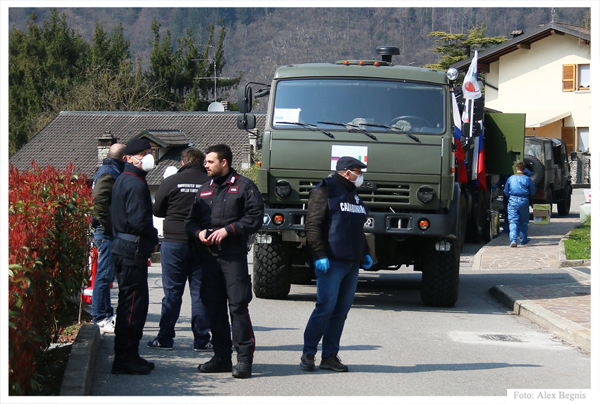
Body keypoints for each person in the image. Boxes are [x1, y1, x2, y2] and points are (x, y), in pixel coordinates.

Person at [185, 144, 264, 379]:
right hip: (208, 258)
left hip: (232, 257)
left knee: (238, 306)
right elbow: (190, 222)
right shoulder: (205, 188)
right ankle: (221, 357)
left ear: (224, 163)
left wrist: (229, 230)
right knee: (213, 306)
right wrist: (198, 233)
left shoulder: (244, 186)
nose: (205, 165)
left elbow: (255, 218)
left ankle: (243, 360)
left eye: (209, 162)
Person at [300, 156, 373, 372]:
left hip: (352, 262)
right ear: (346, 171)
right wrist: (319, 254)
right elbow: (312, 225)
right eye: (358, 171)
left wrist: (366, 253)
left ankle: (330, 356)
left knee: (341, 311)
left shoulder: (353, 194)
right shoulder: (324, 190)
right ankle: (308, 353)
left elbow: (356, 229)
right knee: (325, 308)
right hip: (331, 261)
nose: (360, 175)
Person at [147, 148, 212, 351]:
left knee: (172, 293)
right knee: (200, 294)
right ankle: (202, 340)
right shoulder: (210, 183)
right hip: (202, 242)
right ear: (202, 163)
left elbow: (157, 209)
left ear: (182, 163)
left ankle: (165, 338)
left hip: (174, 242)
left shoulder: (172, 181)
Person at [110, 138, 159, 375]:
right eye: (141, 153)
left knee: (134, 304)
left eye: (148, 152)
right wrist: (154, 235)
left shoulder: (125, 179)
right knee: (132, 306)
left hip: (124, 247)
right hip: (131, 250)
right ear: (127, 158)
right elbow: (140, 222)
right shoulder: (135, 184)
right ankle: (124, 358)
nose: (147, 157)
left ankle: (131, 354)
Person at [91, 143, 126, 333]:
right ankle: (99, 317)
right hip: (105, 231)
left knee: (106, 274)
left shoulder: (107, 170)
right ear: (122, 158)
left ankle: (105, 312)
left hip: (105, 229)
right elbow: (99, 200)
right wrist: (107, 224)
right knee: (103, 275)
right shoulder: (109, 173)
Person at [504, 161, 536, 248]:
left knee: (513, 220)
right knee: (523, 221)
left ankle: (513, 240)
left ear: (516, 168)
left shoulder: (510, 178)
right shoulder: (527, 179)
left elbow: (506, 192)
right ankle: (523, 239)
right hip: (523, 200)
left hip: (512, 200)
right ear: (524, 169)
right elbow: (533, 191)